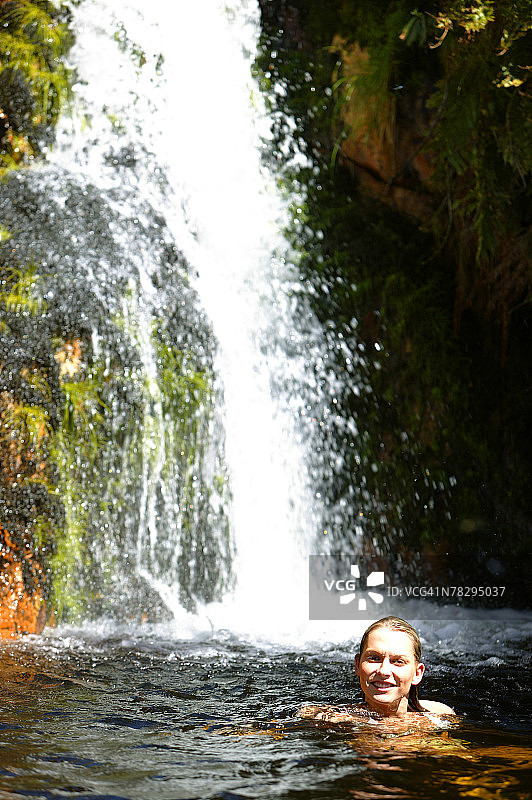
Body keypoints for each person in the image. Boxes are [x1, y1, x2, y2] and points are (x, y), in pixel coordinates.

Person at [299, 616, 455, 722]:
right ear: (357, 665)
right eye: (374, 658)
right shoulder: (329, 719)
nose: (383, 670)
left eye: (398, 661)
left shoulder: (440, 716)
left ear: (417, 673)